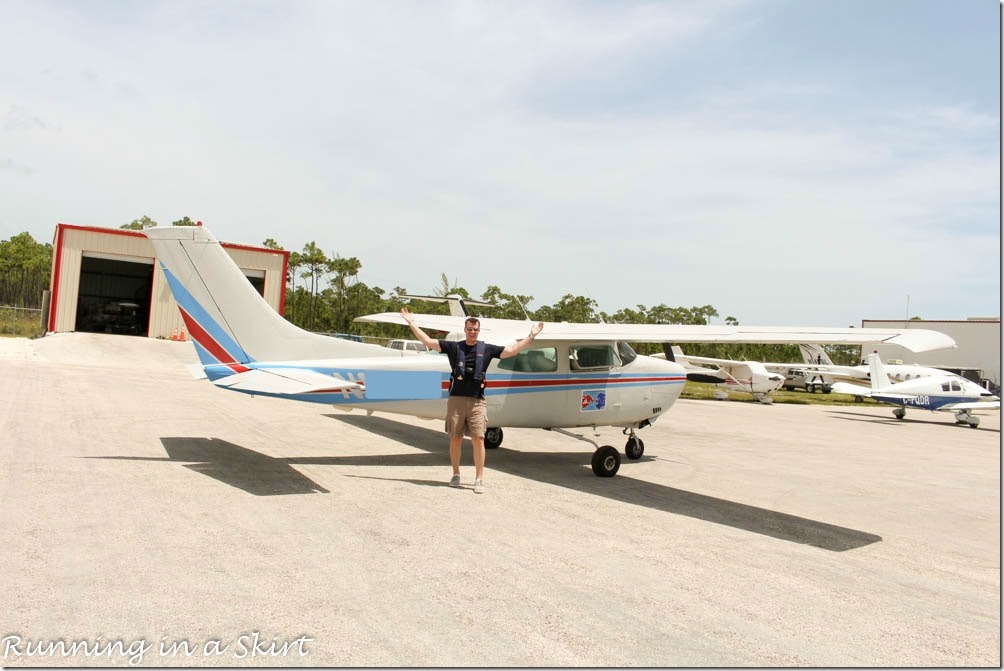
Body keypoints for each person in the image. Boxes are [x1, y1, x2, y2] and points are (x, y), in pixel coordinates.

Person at [400, 307, 544, 494]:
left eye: (475, 329)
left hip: (477, 401)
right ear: (465, 329)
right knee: (456, 438)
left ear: (478, 330)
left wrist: (531, 336)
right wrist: (411, 322)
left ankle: (479, 478)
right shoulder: (454, 347)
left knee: (478, 438)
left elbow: (512, 350)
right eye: (469, 329)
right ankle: (456, 473)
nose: (472, 332)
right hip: (457, 400)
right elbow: (427, 341)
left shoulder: (487, 349)